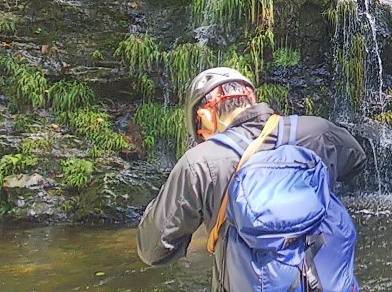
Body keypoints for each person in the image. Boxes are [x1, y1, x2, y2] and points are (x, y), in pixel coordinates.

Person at [137, 67, 366, 292]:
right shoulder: (319, 132)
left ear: (204, 117)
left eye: (199, 130)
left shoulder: (199, 163)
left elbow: (153, 250)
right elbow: (356, 162)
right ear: (251, 99)